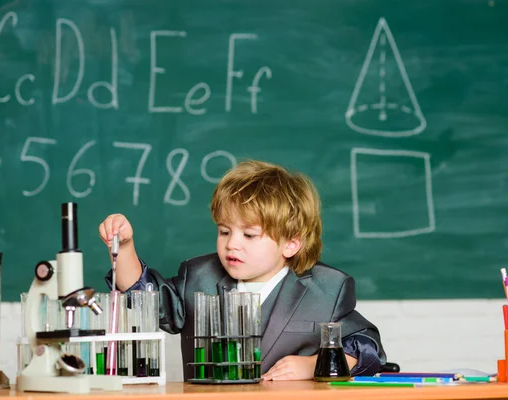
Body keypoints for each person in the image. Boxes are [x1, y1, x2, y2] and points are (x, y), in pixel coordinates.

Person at [98, 160, 386, 381]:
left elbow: (366, 347)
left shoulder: (327, 288)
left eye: (249, 235)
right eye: (224, 231)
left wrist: (314, 365)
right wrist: (124, 247)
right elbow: (146, 299)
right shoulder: (199, 276)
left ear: (291, 243)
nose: (231, 244)